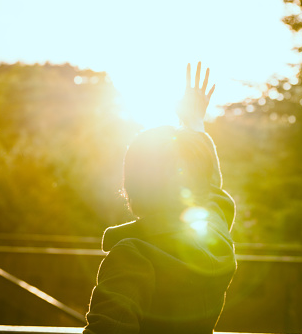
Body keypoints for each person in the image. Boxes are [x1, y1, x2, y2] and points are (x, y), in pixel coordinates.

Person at [83, 62, 237, 334]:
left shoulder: (132, 255)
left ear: (133, 184)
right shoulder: (214, 240)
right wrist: (195, 124)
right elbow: (211, 192)